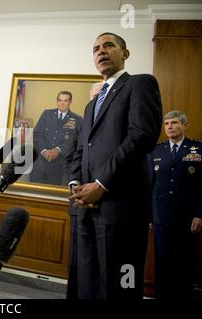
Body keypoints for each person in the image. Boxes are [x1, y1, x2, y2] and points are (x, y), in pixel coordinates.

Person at [68, 32, 162, 299]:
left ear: (125, 53)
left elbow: (141, 136)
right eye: (96, 48)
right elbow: (79, 150)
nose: (101, 51)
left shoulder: (140, 84)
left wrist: (101, 184)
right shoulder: (90, 106)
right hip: (85, 207)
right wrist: (76, 184)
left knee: (121, 285)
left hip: (121, 207)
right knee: (88, 285)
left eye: (109, 45)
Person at [147, 111, 202, 299]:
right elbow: (149, 185)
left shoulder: (198, 149)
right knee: (162, 262)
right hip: (160, 216)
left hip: (187, 218)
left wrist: (200, 214)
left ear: (185, 125)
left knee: (184, 263)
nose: (170, 126)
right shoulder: (156, 150)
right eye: (167, 123)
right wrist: (149, 216)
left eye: (175, 123)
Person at [65, 84, 100, 299]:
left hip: (103, 201)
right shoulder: (81, 124)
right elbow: (73, 157)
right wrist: (73, 183)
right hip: (78, 202)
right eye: (95, 96)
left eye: (102, 95)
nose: (98, 100)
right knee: (77, 260)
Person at [31, 91, 82, 185]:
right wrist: (43, 150)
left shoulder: (77, 120)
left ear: (70, 102)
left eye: (65, 100)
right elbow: (37, 134)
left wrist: (59, 150)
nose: (62, 103)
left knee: (51, 194)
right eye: (60, 100)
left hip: (59, 165)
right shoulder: (46, 114)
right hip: (40, 163)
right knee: (33, 191)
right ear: (57, 101)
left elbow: (76, 141)